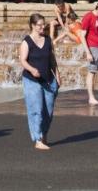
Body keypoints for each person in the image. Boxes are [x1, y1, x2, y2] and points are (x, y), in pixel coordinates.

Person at [18, 12, 59, 150]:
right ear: (32, 26)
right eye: (40, 25)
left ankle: (43, 135)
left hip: (48, 79)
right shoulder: (26, 42)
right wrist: (32, 69)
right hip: (31, 80)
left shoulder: (47, 40)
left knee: (48, 110)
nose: (43, 27)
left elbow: (52, 59)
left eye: (43, 25)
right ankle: (37, 139)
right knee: (36, 109)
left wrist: (57, 74)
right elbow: (22, 60)